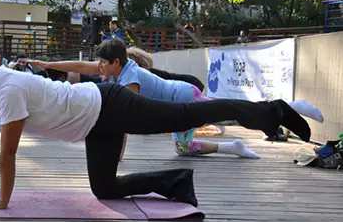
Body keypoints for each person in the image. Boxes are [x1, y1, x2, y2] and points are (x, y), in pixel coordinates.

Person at [0, 30, 311, 210]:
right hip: (93, 121)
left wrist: (3, 202)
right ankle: (178, 182)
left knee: (186, 113)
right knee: (104, 188)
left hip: (109, 104)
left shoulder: (11, 90)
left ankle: (270, 111)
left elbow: (7, 155)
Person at [30, 40, 323, 159]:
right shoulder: (119, 68)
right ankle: (237, 144)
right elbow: (82, 67)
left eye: (103, 65)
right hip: (179, 100)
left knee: (230, 114)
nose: (100, 70)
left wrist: (116, 152)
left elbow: (126, 116)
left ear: (116, 62)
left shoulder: (129, 80)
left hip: (182, 101)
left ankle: (287, 108)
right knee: (192, 141)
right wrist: (48, 65)